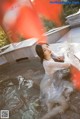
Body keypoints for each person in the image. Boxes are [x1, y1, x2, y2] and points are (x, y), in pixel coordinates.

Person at [35, 43, 74, 119]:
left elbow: (55, 55)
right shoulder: (48, 63)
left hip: (49, 82)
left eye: (47, 47)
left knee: (70, 87)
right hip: (48, 87)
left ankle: (50, 105)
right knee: (66, 105)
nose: (49, 50)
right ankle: (46, 116)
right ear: (42, 54)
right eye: (45, 50)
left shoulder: (48, 55)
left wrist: (59, 57)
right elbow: (67, 64)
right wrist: (65, 56)